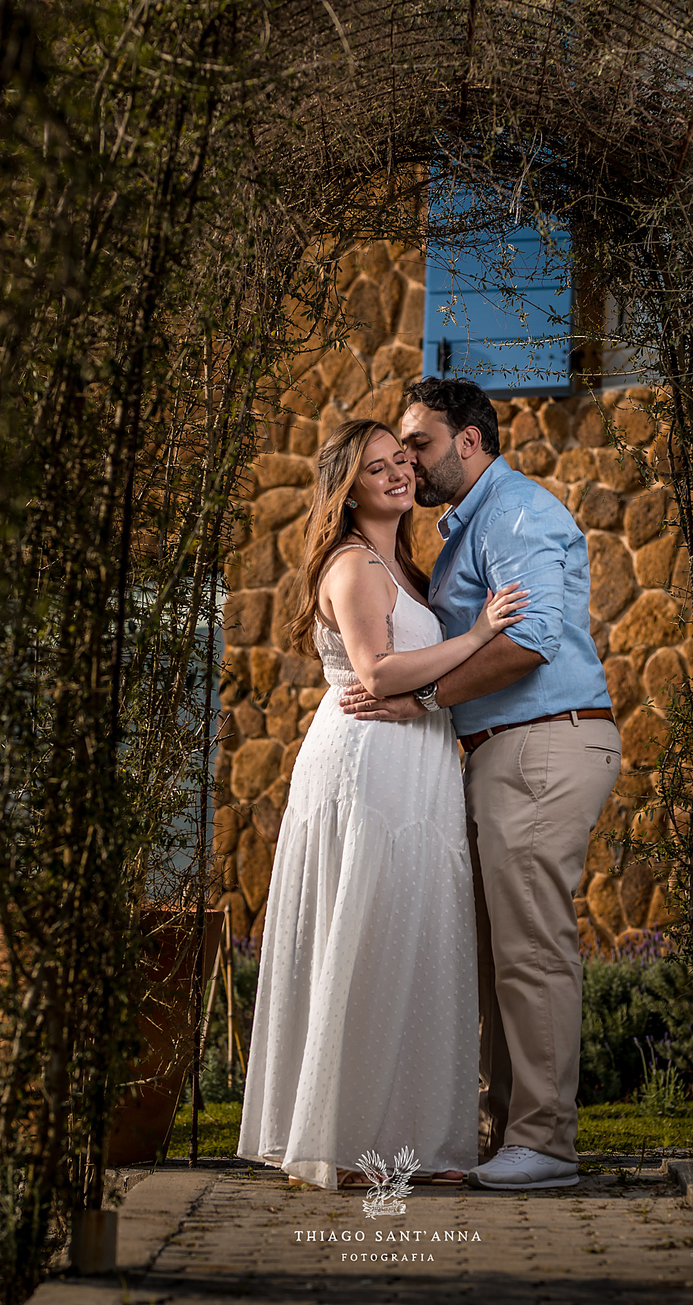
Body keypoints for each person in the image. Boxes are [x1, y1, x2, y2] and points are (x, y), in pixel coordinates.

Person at [342, 376, 620, 1192]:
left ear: (469, 439)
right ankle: (511, 1136)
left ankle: (545, 1143)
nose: (410, 464)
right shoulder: (469, 529)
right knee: (503, 954)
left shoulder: (516, 513)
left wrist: (422, 696)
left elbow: (530, 640)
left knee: (530, 948)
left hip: (540, 743)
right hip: (505, 751)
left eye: (419, 444)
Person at [237, 417, 528, 1190]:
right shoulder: (356, 565)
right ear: (348, 486)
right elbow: (378, 669)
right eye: (377, 467)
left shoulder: (402, 566)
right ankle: (346, 1142)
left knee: (419, 943)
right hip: (369, 767)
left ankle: (416, 1146)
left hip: (416, 763)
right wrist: (477, 638)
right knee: (372, 941)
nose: (399, 473)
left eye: (403, 460)